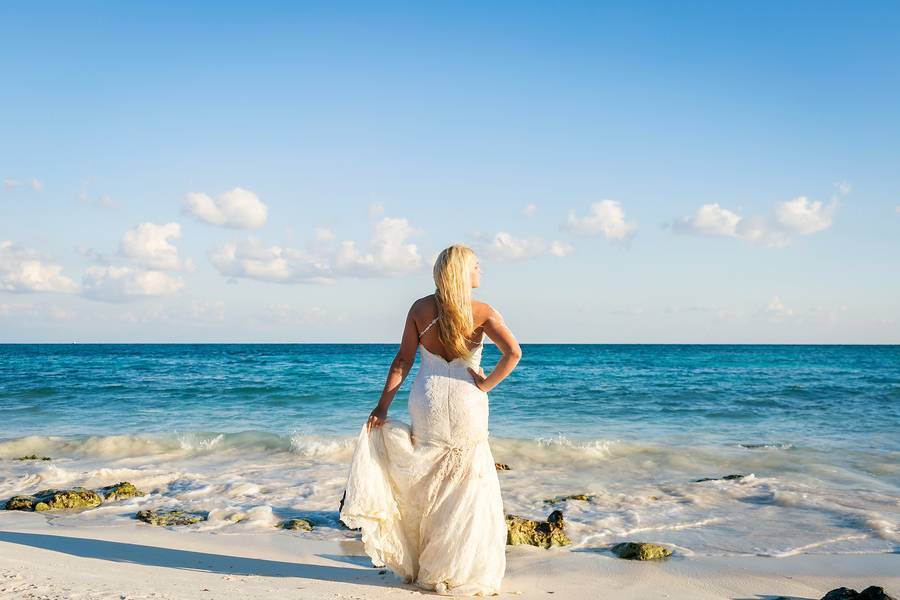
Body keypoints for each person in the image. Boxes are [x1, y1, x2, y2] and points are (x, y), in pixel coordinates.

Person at [339, 243, 522, 596]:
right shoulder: (482, 311)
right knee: (467, 482)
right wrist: (485, 384)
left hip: (428, 398)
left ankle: (424, 560)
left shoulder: (420, 309)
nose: (480, 272)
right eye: (476, 266)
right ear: (462, 272)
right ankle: (457, 566)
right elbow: (513, 353)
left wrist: (382, 407)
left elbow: (403, 360)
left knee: (427, 478)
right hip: (468, 399)